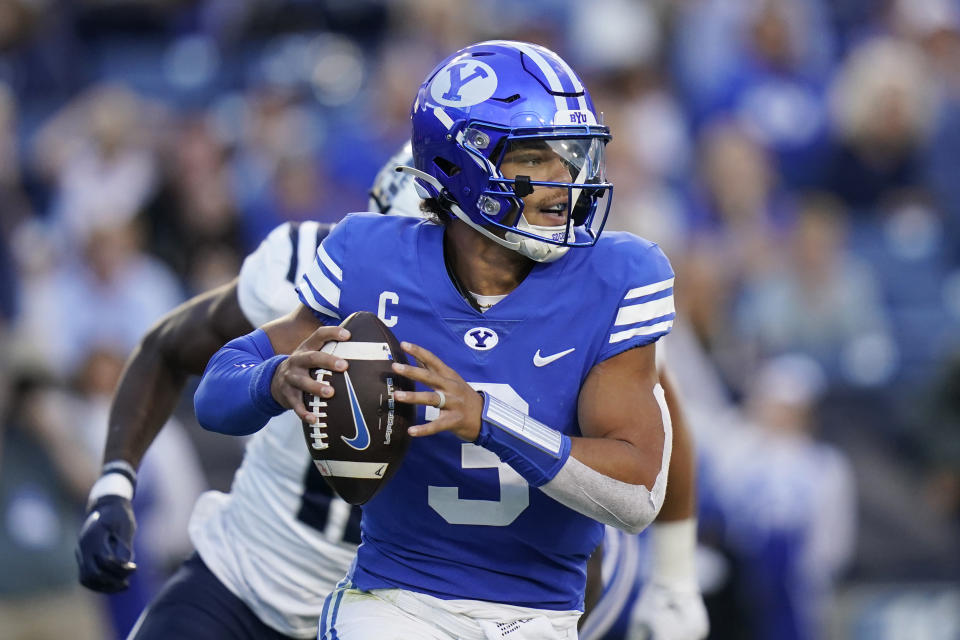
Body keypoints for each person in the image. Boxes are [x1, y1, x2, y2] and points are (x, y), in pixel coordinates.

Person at [77, 137, 708, 639]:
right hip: (255, 578)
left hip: (430, 597)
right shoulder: (317, 271)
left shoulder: (570, 302)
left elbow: (645, 434)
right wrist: (114, 482)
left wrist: (672, 578)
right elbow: (175, 352)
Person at [193, 40, 678, 639]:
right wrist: (272, 379)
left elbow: (636, 495)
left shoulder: (617, 276)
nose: (566, 181)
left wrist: (484, 420)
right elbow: (215, 393)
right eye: (537, 158)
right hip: (395, 604)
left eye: (575, 156)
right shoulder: (368, 257)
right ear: (460, 165)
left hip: (540, 616)